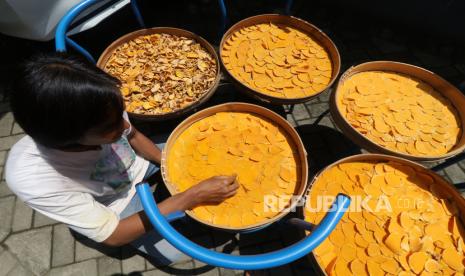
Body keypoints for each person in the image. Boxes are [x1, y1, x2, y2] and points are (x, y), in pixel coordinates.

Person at [5, 53, 239, 264]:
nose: (125, 125)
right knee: (176, 254)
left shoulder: (102, 104)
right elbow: (115, 236)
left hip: (136, 163)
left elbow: (134, 135)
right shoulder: (33, 179)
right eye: (110, 127)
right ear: (68, 137)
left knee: (205, 145)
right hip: (117, 202)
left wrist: (168, 164)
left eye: (121, 113)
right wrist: (190, 197)